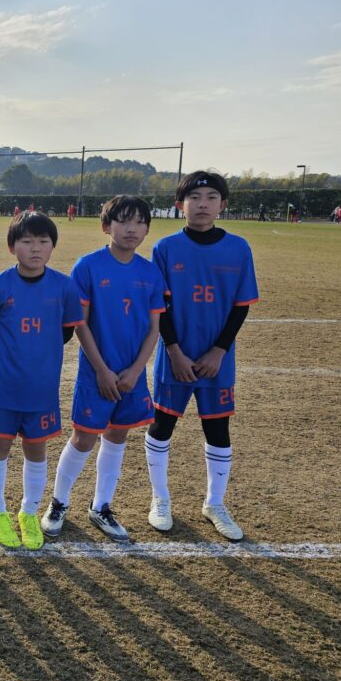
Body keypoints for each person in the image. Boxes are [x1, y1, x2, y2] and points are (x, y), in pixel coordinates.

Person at [42, 196, 165, 542]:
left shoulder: (150, 272)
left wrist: (136, 370)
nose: (131, 229)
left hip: (131, 374)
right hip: (96, 373)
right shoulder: (88, 267)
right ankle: (58, 503)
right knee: (83, 437)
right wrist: (101, 369)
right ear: (106, 226)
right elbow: (80, 323)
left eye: (139, 222)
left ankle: (101, 506)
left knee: (117, 436)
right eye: (123, 221)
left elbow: (154, 328)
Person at [146, 170, 258, 541]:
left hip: (217, 361)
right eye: (194, 198)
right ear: (180, 205)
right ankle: (160, 499)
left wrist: (219, 350)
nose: (202, 204)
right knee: (162, 425)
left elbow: (241, 305)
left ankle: (215, 503)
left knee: (218, 429)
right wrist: (174, 351)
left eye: (211, 197)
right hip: (174, 357)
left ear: (222, 204)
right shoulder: (165, 248)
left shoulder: (238, 248)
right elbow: (159, 307)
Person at [0, 212, 83, 549]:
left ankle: (29, 512)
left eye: (43, 241)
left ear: (52, 246)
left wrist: (38, 357)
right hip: (3, 386)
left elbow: (66, 332)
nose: (35, 248)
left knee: (36, 449)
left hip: (41, 388)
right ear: (12, 247)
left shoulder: (64, 287)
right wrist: (11, 360)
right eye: (27, 241)